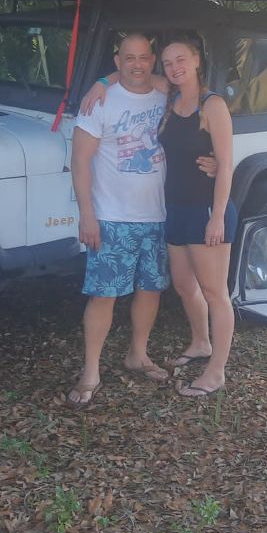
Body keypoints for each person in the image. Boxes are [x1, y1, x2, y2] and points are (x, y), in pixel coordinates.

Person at [66, 32, 172, 407]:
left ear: (152, 58)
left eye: (144, 57)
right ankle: (91, 370)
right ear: (117, 61)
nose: (137, 64)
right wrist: (87, 216)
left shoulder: (164, 95)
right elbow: (79, 161)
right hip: (112, 217)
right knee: (104, 295)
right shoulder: (100, 102)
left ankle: (137, 354)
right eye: (129, 58)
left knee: (150, 288)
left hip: (157, 215)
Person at [155, 34, 236, 398]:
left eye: (181, 59)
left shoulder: (212, 104)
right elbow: (133, 74)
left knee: (215, 293)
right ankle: (201, 342)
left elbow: (227, 165)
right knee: (184, 285)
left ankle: (216, 370)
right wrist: (102, 83)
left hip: (206, 209)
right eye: (168, 62)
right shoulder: (171, 99)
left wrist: (217, 216)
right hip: (175, 208)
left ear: (197, 60)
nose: (175, 68)